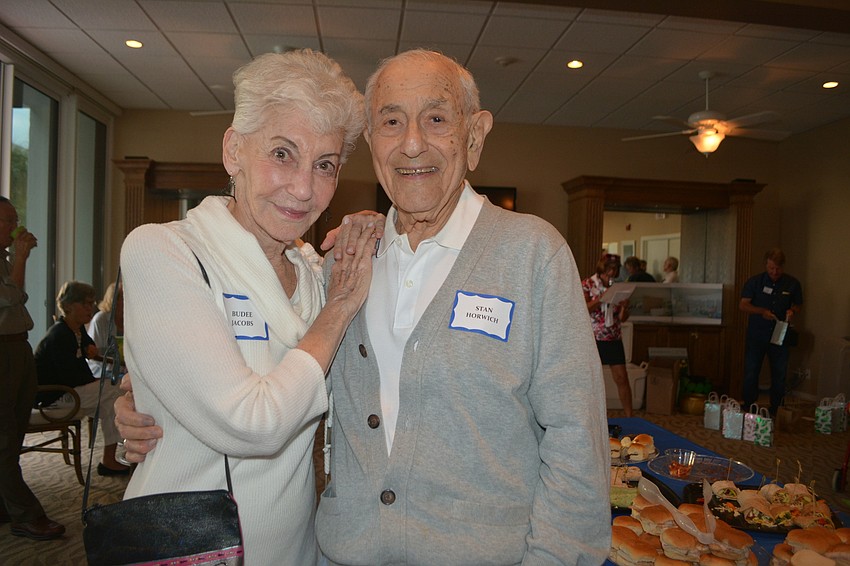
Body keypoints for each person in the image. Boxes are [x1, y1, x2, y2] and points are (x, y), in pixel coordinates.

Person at [117, 49, 610, 564]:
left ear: (474, 136)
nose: (412, 143)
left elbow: (576, 439)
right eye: (392, 122)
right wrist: (147, 394)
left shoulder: (527, 255)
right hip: (226, 549)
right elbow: (246, 393)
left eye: (436, 119)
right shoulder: (342, 270)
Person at [116, 50, 377, 565]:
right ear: (234, 150)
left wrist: (382, 232)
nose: (303, 188)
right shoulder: (164, 251)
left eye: (324, 165)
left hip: (294, 547)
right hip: (191, 547)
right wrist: (339, 309)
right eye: (282, 153)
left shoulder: (314, 274)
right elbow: (251, 423)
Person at [0, 197, 65, 541]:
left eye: (15, 220)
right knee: (4, 436)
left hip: (17, 347)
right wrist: (21, 258)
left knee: (14, 431)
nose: (15, 227)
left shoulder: (3, 259)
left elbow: (16, 297)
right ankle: (27, 515)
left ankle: (6, 504)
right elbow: (9, 298)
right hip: (3, 350)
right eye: (7, 221)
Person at [33, 281, 129, 475]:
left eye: (91, 303)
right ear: (69, 306)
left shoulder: (76, 330)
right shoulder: (59, 335)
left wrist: (91, 351)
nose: (90, 308)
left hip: (71, 390)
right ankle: (111, 458)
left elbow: (89, 350)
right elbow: (70, 375)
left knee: (111, 400)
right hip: (54, 397)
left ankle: (109, 460)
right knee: (116, 389)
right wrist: (97, 378)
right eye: (85, 303)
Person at [740, 248, 803, 414]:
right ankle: (749, 404)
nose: (775, 272)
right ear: (766, 265)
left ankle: (776, 408)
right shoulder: (755, 282)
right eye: (771, 268)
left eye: (778, 268)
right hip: (757, 333)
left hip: (780, 333)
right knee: (752, 370)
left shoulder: (792, 283)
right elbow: (743, 305)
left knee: (779, 372)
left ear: (783, 266)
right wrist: (762, 311)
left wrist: (792, 311)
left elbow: (798, 305)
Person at [583, 253, 634, 417]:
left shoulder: (617, 287)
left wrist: (625, 306)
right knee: (591, 379)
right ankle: (590, 416)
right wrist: (601, 298)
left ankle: (629, 416)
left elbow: (622, 318)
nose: (611, 273)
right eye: (608, 269)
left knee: (621, 377)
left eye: (614, 269)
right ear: (602, 268)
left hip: (613, 337)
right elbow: (583, 309)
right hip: (593, 338)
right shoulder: (588, 284)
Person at [86, 281, 123, 379]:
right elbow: (93, 354)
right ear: (114, 300)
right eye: (124, 298)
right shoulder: (100, 320)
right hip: (102, 370)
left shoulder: (132, 320)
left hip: (123, 371)